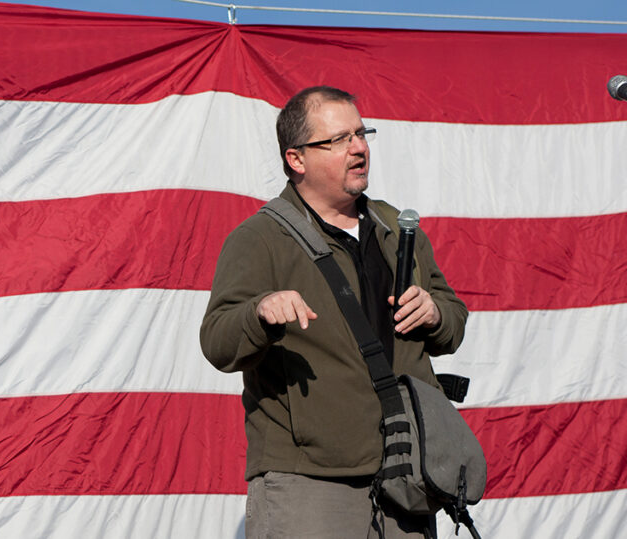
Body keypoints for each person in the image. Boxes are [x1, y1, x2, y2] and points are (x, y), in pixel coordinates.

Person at [200, 86, 467, 538]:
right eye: (339, 139)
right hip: (310, 484)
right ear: (297, 159)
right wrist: (260, 312)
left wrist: (436, 313)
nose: (359, 147)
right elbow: (218, 341)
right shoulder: (259, 238)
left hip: (406, 474)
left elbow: (453, 324)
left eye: (362, 134)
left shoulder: (397, 229)